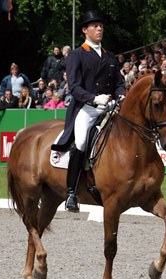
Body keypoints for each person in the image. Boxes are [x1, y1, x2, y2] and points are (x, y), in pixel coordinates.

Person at [51, 10, 125, 211]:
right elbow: (74, 87)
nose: (99, 28)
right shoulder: (77, 55)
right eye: (94, 25)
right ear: (85, 30)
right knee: (82, 141)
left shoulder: (110, 56)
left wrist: (120, 95)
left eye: (101, 25)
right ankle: (71, 193)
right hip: (86, 108)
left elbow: (119, 82)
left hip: (109, 107)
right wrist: (93, 98)